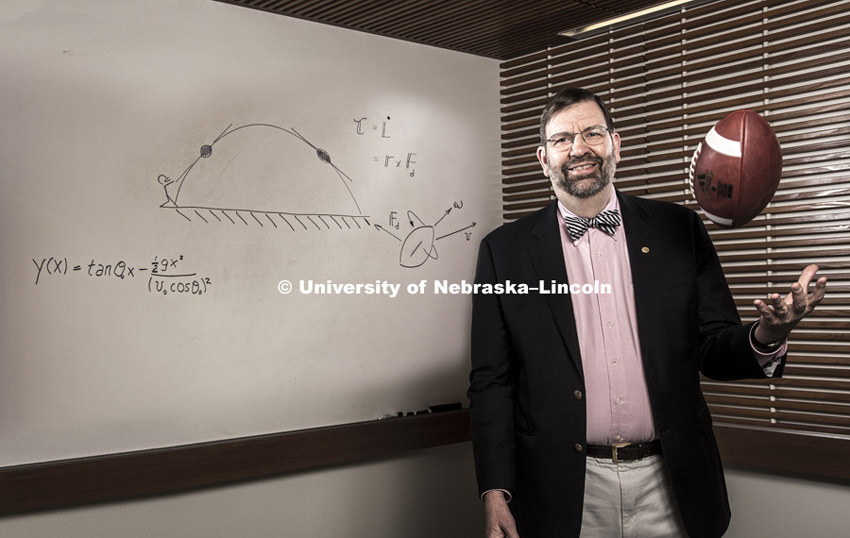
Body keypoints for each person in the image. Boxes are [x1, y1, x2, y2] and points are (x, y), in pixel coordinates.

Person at [467, 87, 827, 538]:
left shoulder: (681, 231)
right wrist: (495, 490)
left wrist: (768, 333)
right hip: (563, 488)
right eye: (562, 139)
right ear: (543, 159)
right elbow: (491, 381)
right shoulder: (505, 252)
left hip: (671, 481)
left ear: (615, 144)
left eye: (592, 133)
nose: (579, 148)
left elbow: (713, 348)